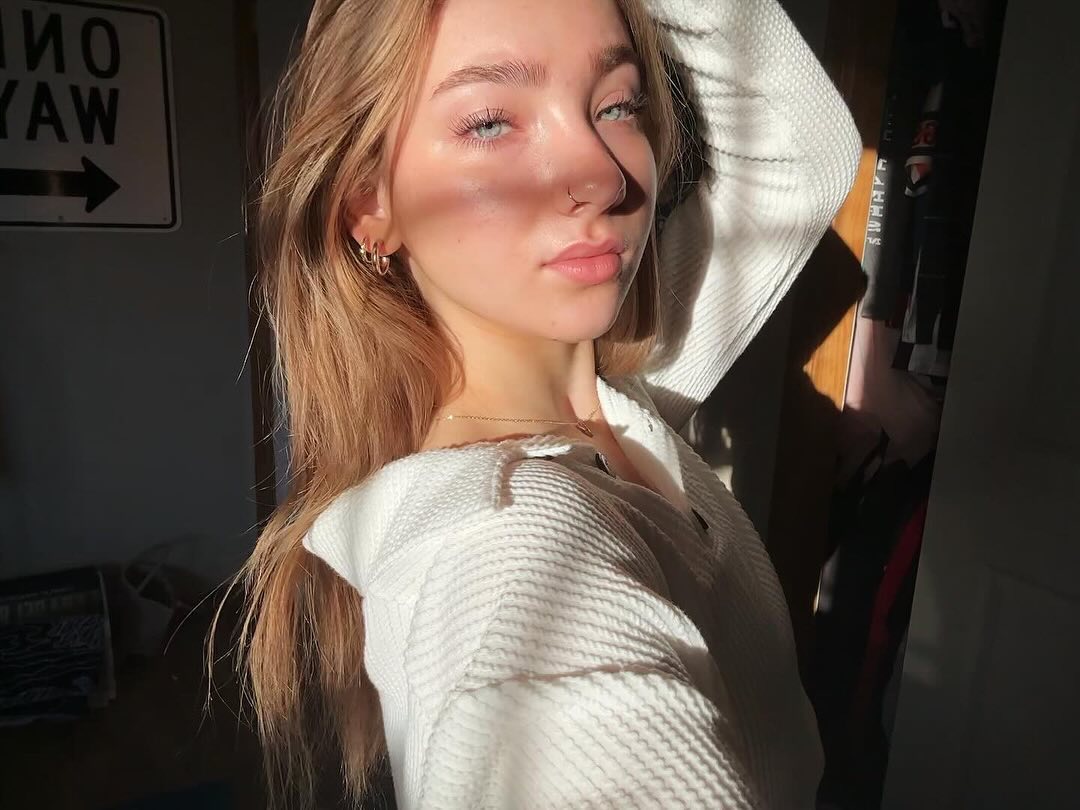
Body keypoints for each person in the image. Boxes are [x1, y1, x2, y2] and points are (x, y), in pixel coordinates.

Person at [229, 0, 861, 807]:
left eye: (618, 104)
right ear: (368, 204)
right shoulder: (506, 553)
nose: (603, 176)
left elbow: (802, 151)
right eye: (491, 122)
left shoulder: (629, 397)